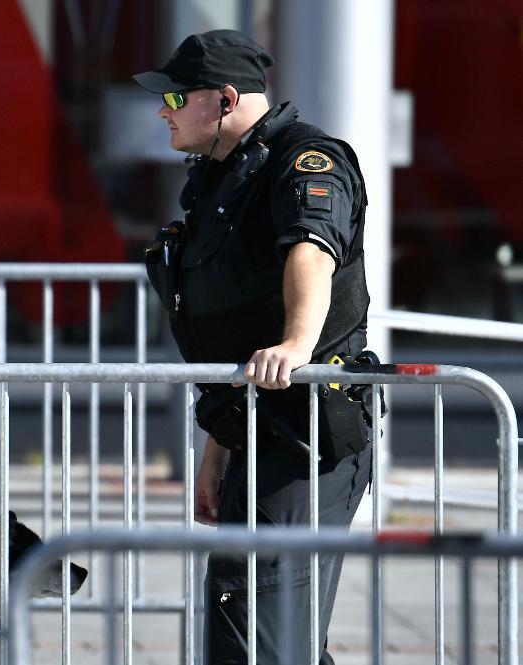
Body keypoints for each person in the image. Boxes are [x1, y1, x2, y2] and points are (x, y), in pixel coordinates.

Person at [135, 30, 375, 664]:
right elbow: (239, 325)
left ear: (225, 99)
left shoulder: (304, 160)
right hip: (256, 428)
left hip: (305, 434)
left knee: (259, 627)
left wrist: (296, 343)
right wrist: (219, 444)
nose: (163, 111)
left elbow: (311, 249)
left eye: (176, 97)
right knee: (267, 629)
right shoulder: (224, 177)